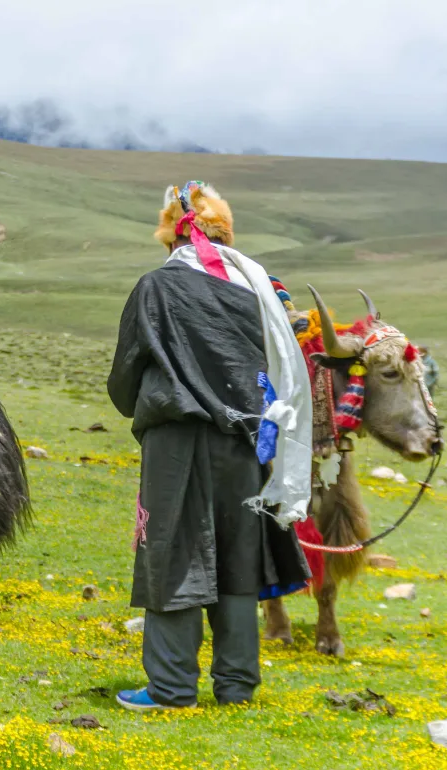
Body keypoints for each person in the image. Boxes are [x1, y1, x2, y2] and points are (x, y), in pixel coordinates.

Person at [107, 182, 314, 710]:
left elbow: (124, 381)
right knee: (237, 552)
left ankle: (172, 686)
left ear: (170, 240)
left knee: (174, 549)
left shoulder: (156, 288)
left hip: (176, 440)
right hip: (245, 445)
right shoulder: (259, 296)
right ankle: (237, 685)